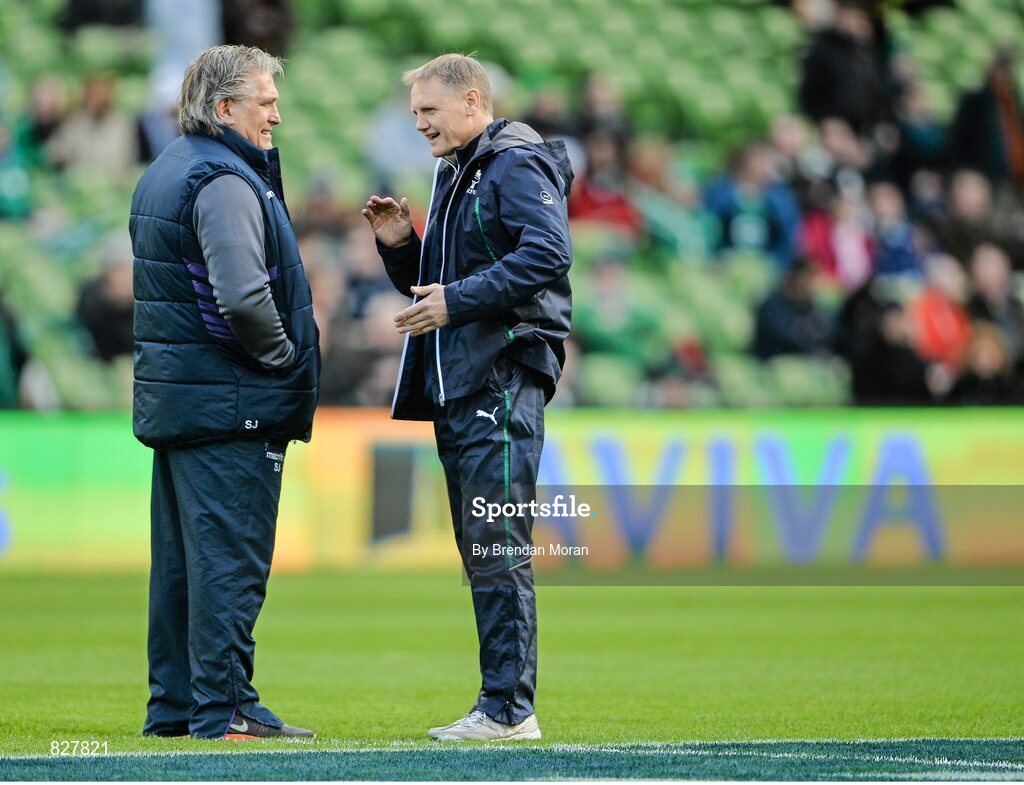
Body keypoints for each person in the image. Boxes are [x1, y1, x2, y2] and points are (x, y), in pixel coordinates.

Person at [362, 53, 572, 742]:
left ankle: (510, 709)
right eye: (415, 112)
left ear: (472, 100)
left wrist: (456, 299)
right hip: (465, 378)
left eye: (428, 110)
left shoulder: (514, 162)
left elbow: (548, 252)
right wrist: (402, 248)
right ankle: (500, 702)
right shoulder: (461, 169)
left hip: (503, 373)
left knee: (495, 539)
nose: (418, 123)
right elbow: (440, 292)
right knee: (483, 544)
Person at [129, 45, 319, 740]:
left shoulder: (168, 169)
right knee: (229, 561)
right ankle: (225, 705)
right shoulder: (223, 179)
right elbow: (240, 295)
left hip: (185, 399)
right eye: (264, 100)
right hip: (231, 400)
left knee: (182, 567)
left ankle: (177, 705)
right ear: (224, 108)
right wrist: (281, 358)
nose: (276, 113)